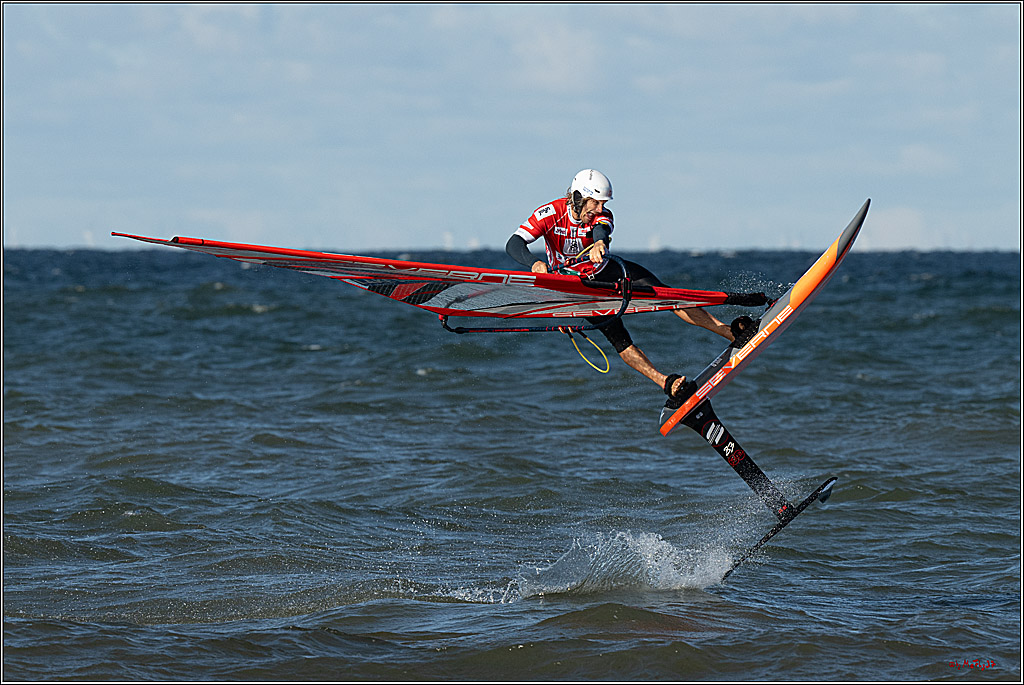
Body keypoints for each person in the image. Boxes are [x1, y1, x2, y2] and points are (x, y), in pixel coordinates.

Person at [505, 169, 764, 407]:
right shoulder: (549, 214)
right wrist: (534, 263)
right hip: (580, 290)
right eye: (595, 202)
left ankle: (728, 333)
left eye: (604, 203)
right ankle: (666, 383)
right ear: (577, 197)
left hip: (609, 271)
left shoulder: (602, 215)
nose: (600, 208)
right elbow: (514, 243)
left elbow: (601, 230)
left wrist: (599, 244)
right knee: (620, 340)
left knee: (670, 297)